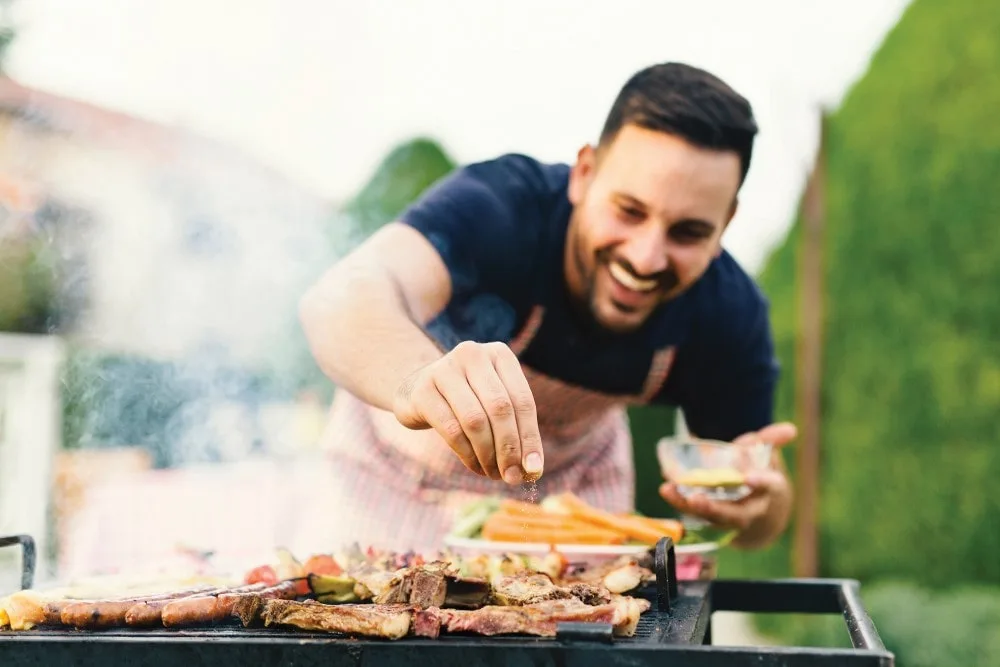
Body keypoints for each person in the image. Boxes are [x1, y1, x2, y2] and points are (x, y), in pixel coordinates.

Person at [296, 61, 797, 555]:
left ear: (725, 222)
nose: (646, 258)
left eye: (688, 232)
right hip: (392, 483)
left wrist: (758, 509)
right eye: (629, 211)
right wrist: (415, 381)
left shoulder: (728, 311)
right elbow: (340, 298)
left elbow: (760, 519)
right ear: (584, 174)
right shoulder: (502, 207)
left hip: (571, 500)